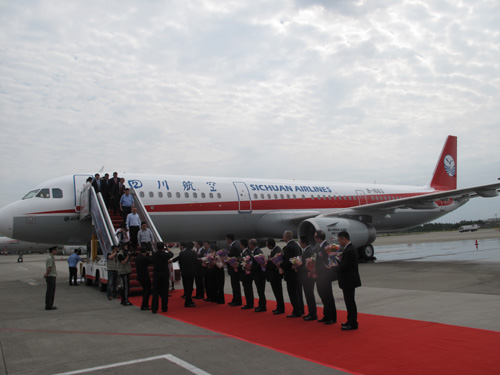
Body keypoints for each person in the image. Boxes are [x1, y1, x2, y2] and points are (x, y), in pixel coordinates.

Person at [337, 231, 361, 331]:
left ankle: (352, 322)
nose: (339, 243)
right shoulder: (349, 248)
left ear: (344, 239)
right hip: (349, 280)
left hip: (349, 280)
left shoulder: (349, 250)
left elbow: (344, 266)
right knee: (349, 301)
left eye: (339, 240)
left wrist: (335, 265)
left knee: (350, 302)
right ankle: (350, 320)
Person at [314, 230, 337, 325]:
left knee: (328, 296)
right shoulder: (318, 247)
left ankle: (332, 317)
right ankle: (326, 315)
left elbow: (331, 260)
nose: (314, 239)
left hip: (325, 275)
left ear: (319, 238)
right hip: (319, 275)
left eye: (315, 237)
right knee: (322, 296)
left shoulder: (327, 246)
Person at [282, 230, 304, 318]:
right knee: (298, 292)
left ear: (286, 237)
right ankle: (301, 309)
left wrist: (281, 265)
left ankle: (296, 311)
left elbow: (287, 261)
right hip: (297, 273)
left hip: (290, 273)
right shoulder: (296, 246)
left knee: (292, 293)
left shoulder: (288, 247)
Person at [151, 242, 174, 314]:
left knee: (155, 292)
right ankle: (164, 307)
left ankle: (154, 308)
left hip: (156, 274)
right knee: (164, 292)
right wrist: (169, 250)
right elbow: (171, 254)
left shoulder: (154, 254)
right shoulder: (165, 254)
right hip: (164, 274)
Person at [174, 241, 198, 307]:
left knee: (186, 286)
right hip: (191, 272)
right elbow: (196, 262)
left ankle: (189, 300)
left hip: (184, 271)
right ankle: (188, 302)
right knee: (190, 287)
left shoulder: (182, 253)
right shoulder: (193, 253)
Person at [299, 236, 317, 321]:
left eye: (300, 242)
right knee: (308, 295)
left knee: (309, 295)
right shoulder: (307, 250)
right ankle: (311, 312)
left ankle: (312, 313)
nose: (300, 243)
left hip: (308, 277)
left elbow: (308, 265)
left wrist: (298, 266)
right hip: (307, 276)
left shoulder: (308, 251)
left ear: (304, 243)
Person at [265, 238, 285, 315]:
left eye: (267, 245)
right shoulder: (275, 250)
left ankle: (281, 308)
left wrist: (268, 263)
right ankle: (279, 306)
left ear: (270, 245)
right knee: (277, 292)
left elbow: (276, 263)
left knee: (278, 292)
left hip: (275, 275)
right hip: (274, 275)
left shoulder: (277, 250)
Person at [249, 239, 266, 312]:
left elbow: (258, 265)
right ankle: (261, 305)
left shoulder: (257, 252)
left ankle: (262, 306)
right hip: (258, 274)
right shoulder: (257, 251)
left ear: (252, 245)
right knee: (260, 291)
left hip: (259, 275)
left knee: (260, 291)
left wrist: (250, 267)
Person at [226, 234, 242, 307]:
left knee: (235, 285)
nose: (226, 240)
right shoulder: (233, 246)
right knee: (234, 285)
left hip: (234, 269)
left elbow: (235, 258)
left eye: (226, 239)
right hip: (233, 269)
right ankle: (235, 299)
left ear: (229, 239)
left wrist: (228, 259)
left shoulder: (234, 247)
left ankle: (237, 300)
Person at [135, 246, 152, 310]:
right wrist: (150, 255)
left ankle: (145, 304)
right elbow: (151, 260)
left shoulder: (137, 258)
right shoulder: (144, 258)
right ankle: (144, 305)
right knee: (147, 290)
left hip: (139, 276)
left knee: (145, 290)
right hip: (145, 276)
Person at [240, 239, 254, 310]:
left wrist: (247, 266)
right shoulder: (244, 252)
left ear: (242, 245)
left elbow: (250, 262)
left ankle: (250, 303)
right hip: (244, 273)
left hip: (247, 274)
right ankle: (249, 302)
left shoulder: (247, 252)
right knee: (246, 288)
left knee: (248, 288)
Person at [44, 246, 58, 310]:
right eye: (55, 250)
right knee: (50, 292)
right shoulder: (50, 258)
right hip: (51, 276)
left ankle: (50, 304)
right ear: (52, 251)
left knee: (51, 291)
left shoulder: (51, 257)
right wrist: (46, 273)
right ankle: (48, 305)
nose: (56, 251)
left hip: (52, 276)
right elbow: (49, 267)